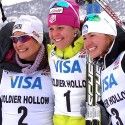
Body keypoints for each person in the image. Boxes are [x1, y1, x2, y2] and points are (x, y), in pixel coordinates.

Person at [0, 15, 54, 125]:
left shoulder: (54, 63)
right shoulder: (5, 66)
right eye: (14, 39)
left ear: (38, 38)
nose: (18, 44)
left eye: (24, 38)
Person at [82, 11, 125, 125]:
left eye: (92, 35)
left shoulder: (122, 58)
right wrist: (101, 109)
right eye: (84, 38)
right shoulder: (105, 68)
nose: (87, 44)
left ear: (108, 35)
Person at [47, 0, 86, 125]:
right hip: (58, 120)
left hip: (85, 120)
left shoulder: (89, 47)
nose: (55, 34)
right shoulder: (49, 52)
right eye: (51, 28)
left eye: (60, 27)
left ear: (75, 29)